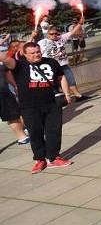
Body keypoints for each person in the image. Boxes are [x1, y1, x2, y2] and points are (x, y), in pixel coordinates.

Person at [2, 42, 73, 173]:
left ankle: (53, 157)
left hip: (52, 103)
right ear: (25, 54)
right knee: (35, 133)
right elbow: (5, 59)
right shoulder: (19, 65)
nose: (36, 54)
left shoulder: (51, 62)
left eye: (38, 51)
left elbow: (61, 77)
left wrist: (66, 93)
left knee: (54, 131)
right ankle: (40, 159)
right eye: (32, 53)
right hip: (30, 106)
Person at [37, 16, 92, 102]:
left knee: (70, 79)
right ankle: (60, 98)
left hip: (63, 64)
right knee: (55, 83)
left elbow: (72, 32)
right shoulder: (42, 42)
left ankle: (78, 96)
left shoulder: (60, 38)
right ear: (47, 34)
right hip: (51, 66)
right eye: (52, 34)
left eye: (56, 33)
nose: (54, 35)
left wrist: (80, 23)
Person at [1, 40, 29, 145]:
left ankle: (22, 137)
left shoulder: (2, 58)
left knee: (13, 114)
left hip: (4, 91)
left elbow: (7, 73)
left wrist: (15, 85)